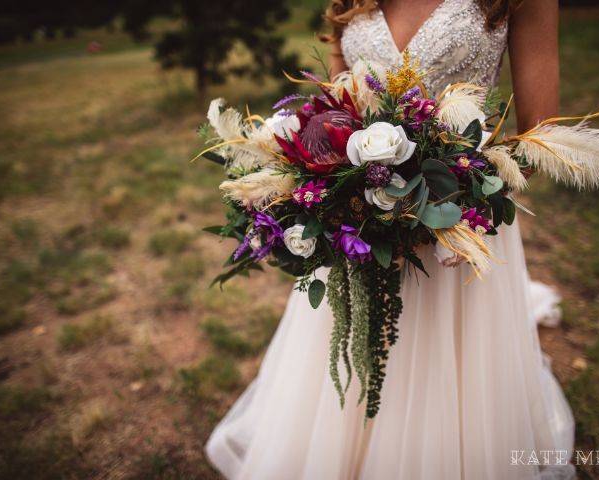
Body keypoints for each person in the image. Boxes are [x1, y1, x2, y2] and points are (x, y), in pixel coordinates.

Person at [207, 1, 576, 478]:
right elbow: (333, 106)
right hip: (357, 228)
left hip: (457, 229)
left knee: (449, 373)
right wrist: (331, 191)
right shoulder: (347, 2)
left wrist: (444, 201)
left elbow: (538, 134)